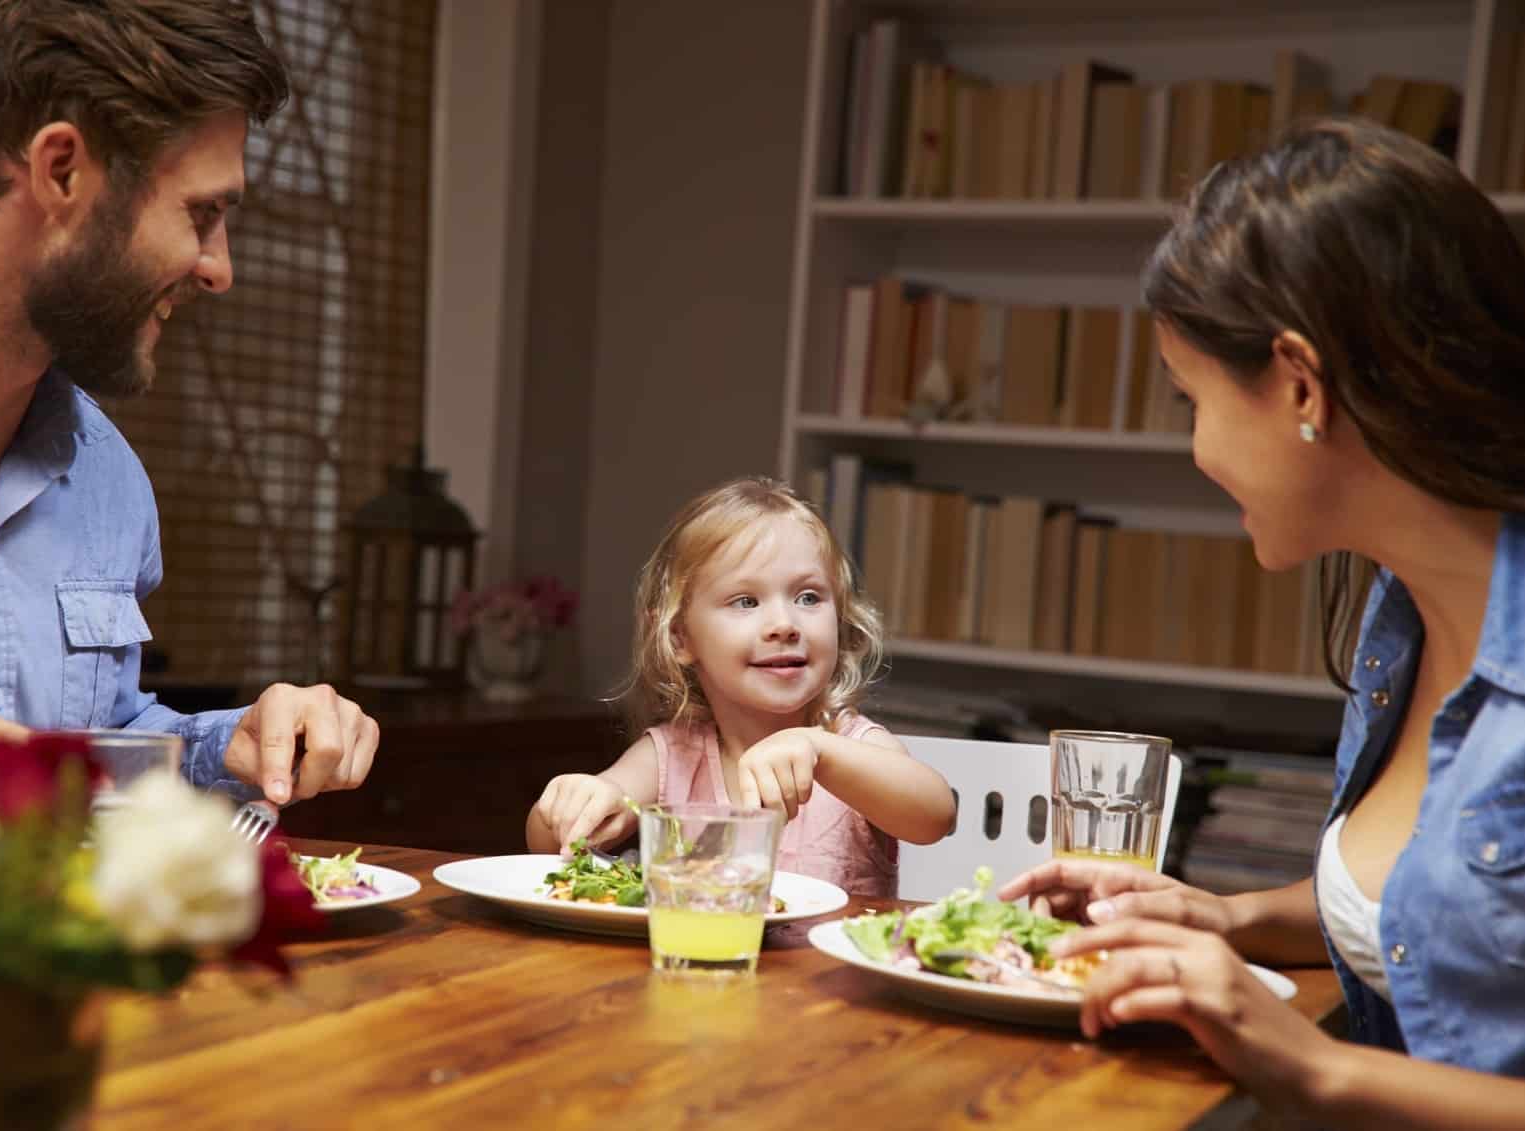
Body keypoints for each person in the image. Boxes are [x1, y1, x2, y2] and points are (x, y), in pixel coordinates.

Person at [997, 116, 1525, 1126]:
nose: (1196, 451)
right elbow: (1440, 913)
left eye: (1189, 397)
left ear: (1297, 383)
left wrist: (1318, 1068)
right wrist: (1227, 919)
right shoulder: (1397, 620)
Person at [0, 2, 377, 805]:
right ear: (61, 171)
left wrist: (231, 743)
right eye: (202, 213)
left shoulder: (104, 472)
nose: (218, 269)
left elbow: (89, 744)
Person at [526, 476, 955, 896]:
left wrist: (820, 751)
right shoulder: (671, 756)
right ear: (680, 637)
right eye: (746, 601)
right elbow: (545, 845)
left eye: (808, 597)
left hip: (829, 969)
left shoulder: (848, 743)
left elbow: (936, 815)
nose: (784, 625)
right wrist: (576, 802)